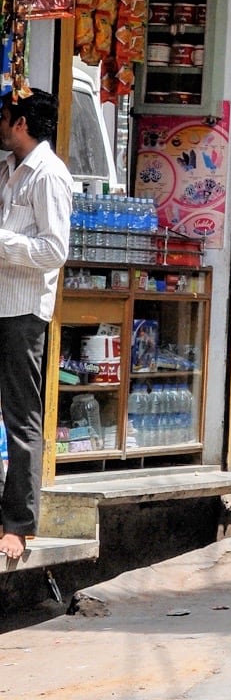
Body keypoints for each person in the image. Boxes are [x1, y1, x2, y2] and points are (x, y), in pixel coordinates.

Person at [0, 90, 72, 561]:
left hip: (23, 311)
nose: (0, 124)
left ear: (22, 123)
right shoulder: (8, 169)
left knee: (21, 417)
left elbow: (54, 251)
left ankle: (19, 525)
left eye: (4, 117)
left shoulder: (48, 176)